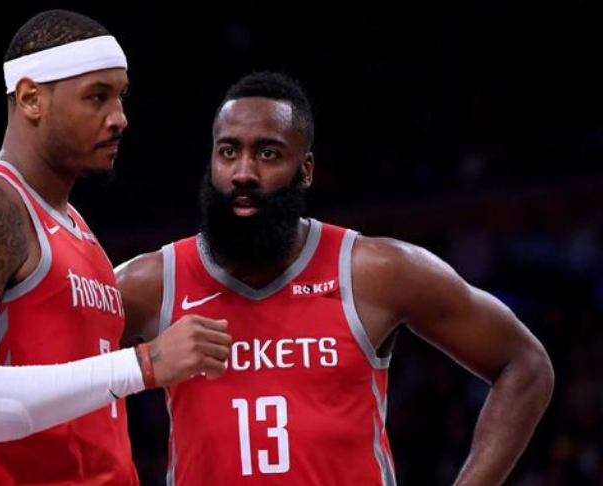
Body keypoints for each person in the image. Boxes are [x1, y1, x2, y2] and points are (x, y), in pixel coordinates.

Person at [116, 71, 554, 486]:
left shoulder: (375, 270)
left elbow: (525, 364)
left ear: (306, 169)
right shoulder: (150, 283)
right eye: (228, 152)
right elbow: (69, 382)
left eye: (268, 154)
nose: (244, 172)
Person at [0, 10, 230, 486]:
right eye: (97, 97)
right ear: (31, 98)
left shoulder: (77, 229)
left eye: (121, 96)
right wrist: (143, 365)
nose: (119, 118)